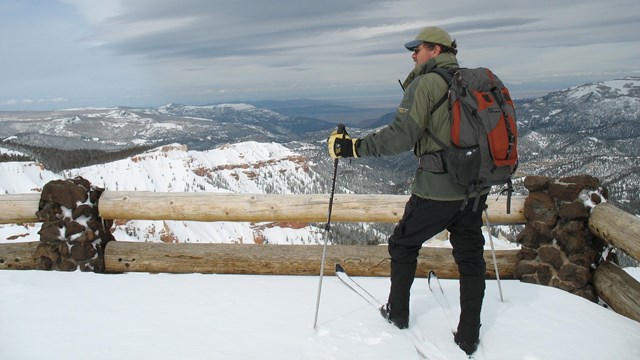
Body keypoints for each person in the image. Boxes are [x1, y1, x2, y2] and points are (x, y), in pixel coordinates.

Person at [327, 26, 487, 356]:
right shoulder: (473, 81)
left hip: (438, 187)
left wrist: (353, 148)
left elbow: (401, 135)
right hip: (475, 187)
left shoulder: (427, 83)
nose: (413, 54)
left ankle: (398, 313)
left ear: (437, 50)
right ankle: (469, 334)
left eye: (418, 48)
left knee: (402, 244)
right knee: (470, 257)